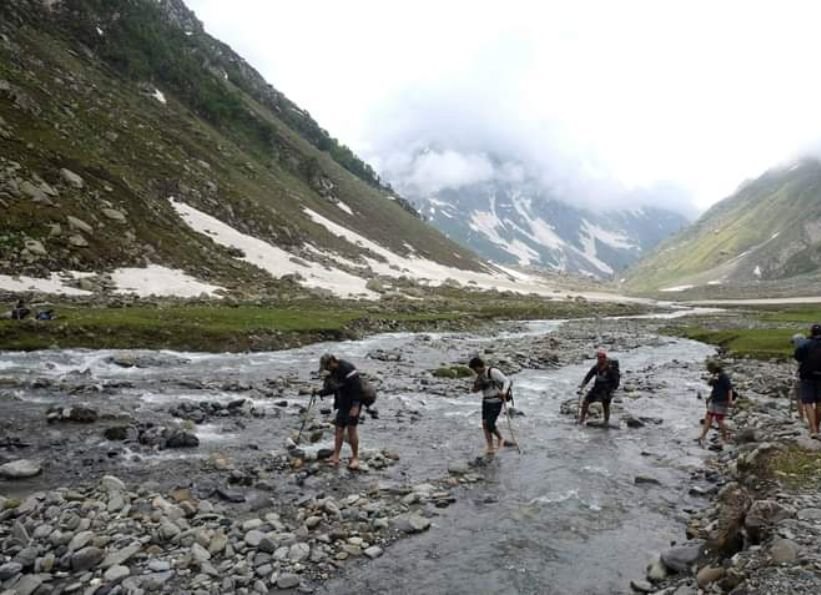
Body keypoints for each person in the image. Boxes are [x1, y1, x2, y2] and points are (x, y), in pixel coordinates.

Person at [315, 353, 363, 469]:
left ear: (332, 362)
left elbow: (358, 387)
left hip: (353, 403)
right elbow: (333, 388)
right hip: (342, 403)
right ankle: (336, 456)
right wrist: (320, 392)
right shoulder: (334, 372)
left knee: (351, 429)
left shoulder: (347, 368)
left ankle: (355, 458)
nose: (326, 369)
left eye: (327, 367)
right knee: (339, 428)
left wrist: (356, 406)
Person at [468, 356, 512, 455]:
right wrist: (476, 388)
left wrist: (504, 392)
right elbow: (474, 390)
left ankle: (500, 439)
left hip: (496, 401)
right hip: (486, 401)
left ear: (480, 366)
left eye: (475, 369)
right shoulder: (479, 376)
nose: (475, 372)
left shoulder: (493, 372)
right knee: (484, 423)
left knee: (489, 424)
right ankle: (491, 445)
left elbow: (507, 381)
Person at [577, 349, 620, 426]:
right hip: (597, 387)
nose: (599, 359)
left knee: (605, 405)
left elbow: (616, 380)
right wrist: (582, 386)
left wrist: (613, 390)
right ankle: (582, 419)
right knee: (586, 401)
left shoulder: (611, 368)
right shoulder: (596, 367)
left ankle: (606, 421)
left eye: (601, 357)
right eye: (598, 357)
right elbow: (588, 376)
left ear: (604, 358)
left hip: (607, 389)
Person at [697, 360, 734, 446]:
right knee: (708, 418)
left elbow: (729, 389)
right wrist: (709, 398)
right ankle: (702, 436)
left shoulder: (724, 376)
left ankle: (725, 438)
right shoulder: (715, 376)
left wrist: (730, 400)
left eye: (709, 369)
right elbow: (714, 388)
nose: (708, 371)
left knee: (719, 420)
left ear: (713, 368)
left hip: (722, 401)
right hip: (714, 400)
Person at [794, 324, 821, 439]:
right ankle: (818, 427)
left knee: (808, 402)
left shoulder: (805, 344)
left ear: (811, 332)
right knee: (820, 402)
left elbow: (798, 357)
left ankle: (813, 429)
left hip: (807, 377)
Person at [791, 333, 807, 424]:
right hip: (813, 377)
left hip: (801, 376)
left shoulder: (799, 350)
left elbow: (799, 365)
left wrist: (795, 375)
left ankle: (802, 417)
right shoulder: (811, 347)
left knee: (799, 397)